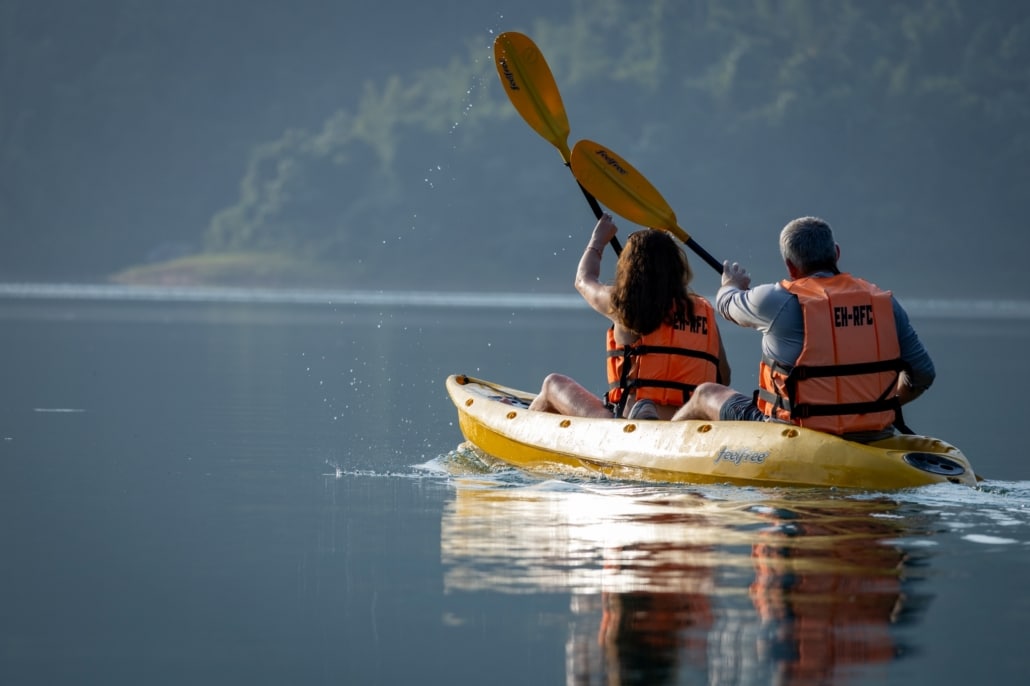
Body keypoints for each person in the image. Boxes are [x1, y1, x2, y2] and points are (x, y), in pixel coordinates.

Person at [673, 216, 934, 441]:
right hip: (875, 434)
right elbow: (923, 373)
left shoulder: (777, 301)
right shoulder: (885, 303)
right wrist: (874, 407)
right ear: (837, 253)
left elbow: (726, 303)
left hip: (795, 432)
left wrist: (731, 283)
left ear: (790, 266)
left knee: (705, 393)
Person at [528, 213, 731, 420]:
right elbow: (723, 377)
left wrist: (598, 241)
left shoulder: (624, 304)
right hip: (688, 422)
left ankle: (521, 425)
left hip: (627, 427)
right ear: (678, 268)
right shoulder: (703, 311)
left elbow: (584, 280)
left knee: (552, 383)